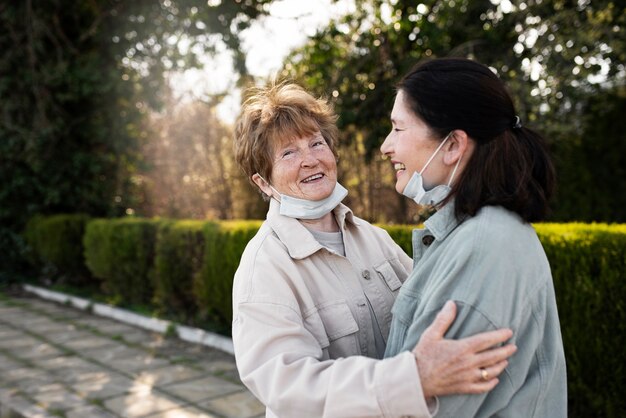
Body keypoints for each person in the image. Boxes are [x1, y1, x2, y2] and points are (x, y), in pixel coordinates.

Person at [231, 81, 518, 418]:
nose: (310, 160)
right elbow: (288, 387)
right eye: (288, 152)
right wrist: (414, 379)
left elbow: (429, 308)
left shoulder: (373, 238)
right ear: (263, 182)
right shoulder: (264, 266)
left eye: (316, 143)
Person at [380, 57, 567, 417]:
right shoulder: (475, 236)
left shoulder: (484, 248)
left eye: (398, 129)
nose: (387, 146)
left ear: (453, 145)